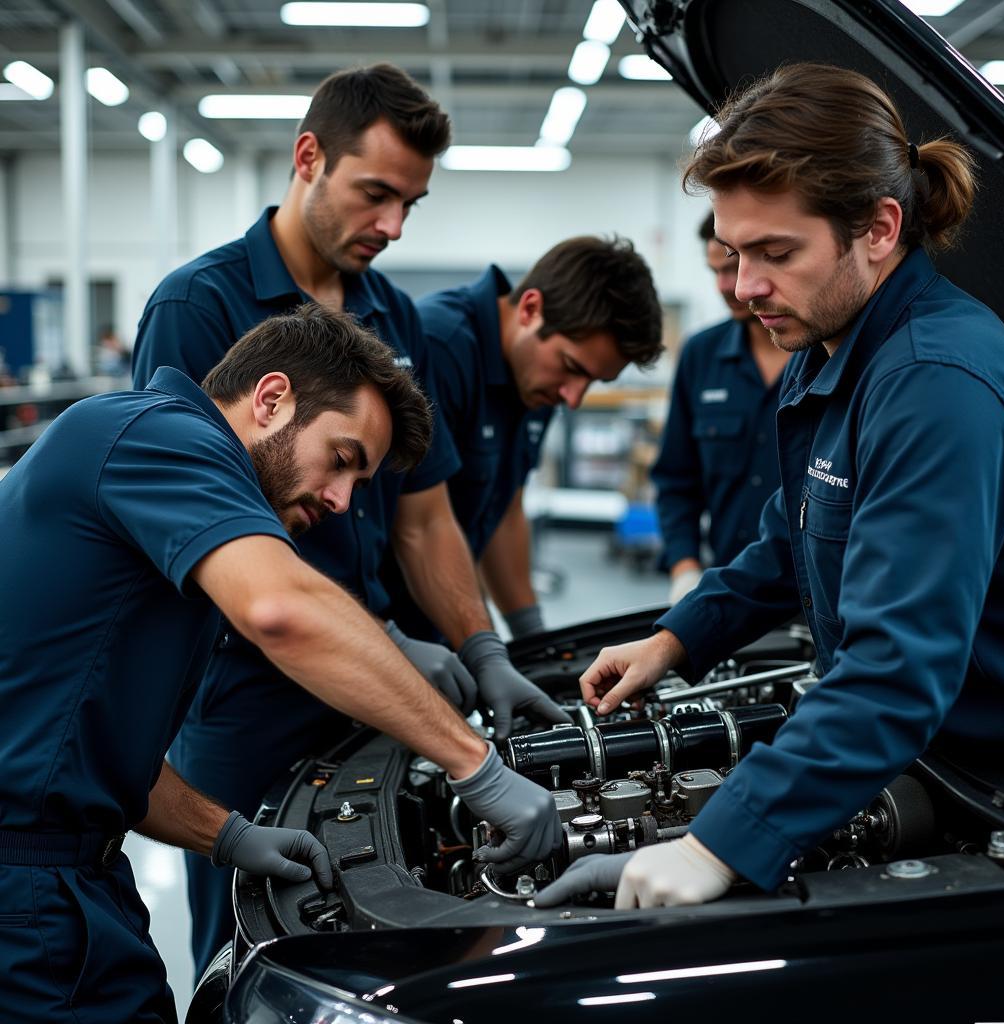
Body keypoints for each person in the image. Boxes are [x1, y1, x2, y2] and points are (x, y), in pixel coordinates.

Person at [535, 62, 1004, 911]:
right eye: (733, 253)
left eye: (776, 253)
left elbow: (896, 671)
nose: (745, 286)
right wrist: (675, 640)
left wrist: (717, 843)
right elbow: (789, 537)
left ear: (879, 227)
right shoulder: (832, 347)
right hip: (901, 752)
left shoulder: (937, 383)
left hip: (989, 786)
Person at [0, 304, 560, 1022]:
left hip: (77, 881)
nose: (339, 500)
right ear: (271, 399)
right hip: (27, 897)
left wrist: (226, 834)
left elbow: (96, 753)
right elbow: (282, 612)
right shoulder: (154, 435)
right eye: (343, 460)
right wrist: (474, 765)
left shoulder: (165, 488)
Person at [131, 63, 567, 979]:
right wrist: (384, 642)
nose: (393, 226)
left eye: (411, 203)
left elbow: (425, 515)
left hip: (367, 678)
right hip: (244, 694)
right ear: (308, 159)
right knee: (250, 940)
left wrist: (483, 649)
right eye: (375, 195)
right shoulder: (198, 305)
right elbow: (209, 529)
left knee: (368, 926)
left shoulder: (390, 314)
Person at [385, 237, 663, 642]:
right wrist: (479, 643)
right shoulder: (438, 347)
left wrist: (531, 636)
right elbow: (421, 524)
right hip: (388, 625)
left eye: (593, 382)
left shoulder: (537, 375)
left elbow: (506, 508)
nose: (573, 397)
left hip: (444, 621)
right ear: (531, 309)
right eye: (572, 367)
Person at [652, 212, 790, 604]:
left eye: (733, 268)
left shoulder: (825, 357)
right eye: (714, 271)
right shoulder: (701, 354)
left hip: (817, 597)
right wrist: (685, 569)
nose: (726, 287)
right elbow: (675, 479)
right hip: (730, 594)